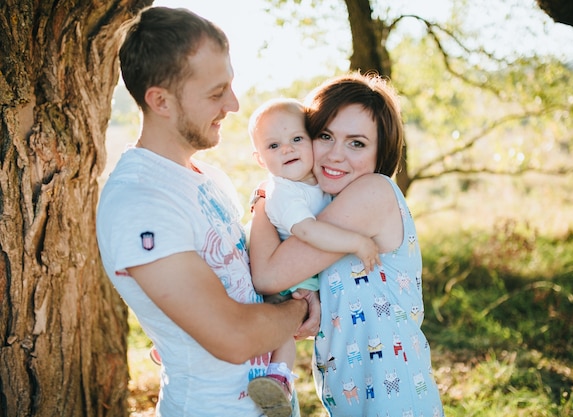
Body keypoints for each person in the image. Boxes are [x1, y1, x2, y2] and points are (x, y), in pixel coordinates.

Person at [95, 7, 318, 417]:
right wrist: (301, 309)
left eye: (230, 85)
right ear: (160, 100)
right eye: (217, 93)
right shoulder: (140, 201)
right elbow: (232, 336)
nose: (233, 104)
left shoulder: (207, 176)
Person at [249, 73, 445, 416]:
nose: (335, 155)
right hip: (352, 394)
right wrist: (314, 297)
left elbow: (267, 274)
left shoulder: (371, 192)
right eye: (325, 136)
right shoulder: (325, 205)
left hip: (393, 398)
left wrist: (268, 196)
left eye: (357, 143)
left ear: (380, 151)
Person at [245, 98, 381, 416]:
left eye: (296, 139)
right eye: (274, 145)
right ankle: (279, 379)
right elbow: (308, 231)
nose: (288, 150)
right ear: (260, 158)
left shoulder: (313, 182)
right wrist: (356, 242)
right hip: (287, 279)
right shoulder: (283, 193)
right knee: (284, 329)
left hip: (303, 274)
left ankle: (279, 382)